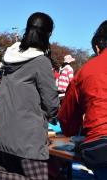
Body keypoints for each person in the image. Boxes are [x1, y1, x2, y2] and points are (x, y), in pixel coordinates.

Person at [0, 12, 59, 180]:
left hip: (0, 134)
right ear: (48, 34)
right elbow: (51, 103)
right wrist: (52, 115)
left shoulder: (10, 57)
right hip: (27, 139)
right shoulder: (41, 62)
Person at [58, 20, 107, 179]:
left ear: (99, 46)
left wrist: (74, 132)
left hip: (100, 148)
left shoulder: (86, 70)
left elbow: (67, 120)